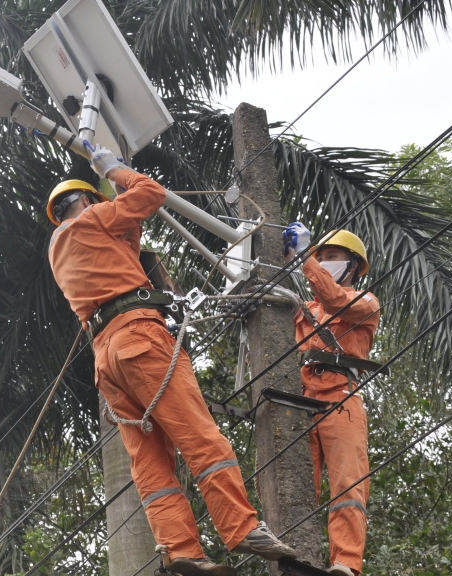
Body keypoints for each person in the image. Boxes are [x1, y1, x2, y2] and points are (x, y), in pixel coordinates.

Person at [47, 143, 298, 576]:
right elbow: (150, 194)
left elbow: (126, 242)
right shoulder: (92, 218)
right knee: (200, 436)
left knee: (150, 463)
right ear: (87, 201)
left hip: (106, 358)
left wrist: (114, 202)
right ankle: (241, 529)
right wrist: (117, 170)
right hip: (139, 335)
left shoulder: (62, 248)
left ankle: (181, 550)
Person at [283, 225, 380, 576]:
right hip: (303, 401)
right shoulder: (306, 308)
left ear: (352, 265)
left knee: (347, 484)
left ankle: (346, 563)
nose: (325, 262)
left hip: (342, 399)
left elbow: (337, 300)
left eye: (332, 257)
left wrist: (307, 260)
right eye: (322, 256)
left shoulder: (366, 301)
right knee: (296, 481)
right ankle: (296, 555)